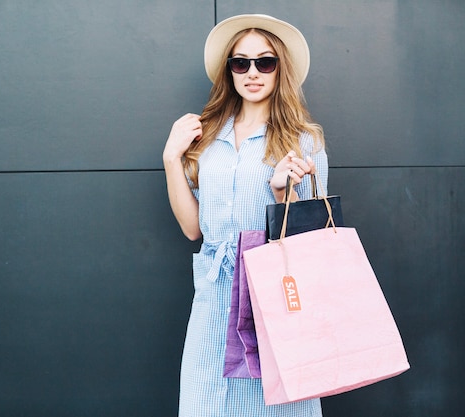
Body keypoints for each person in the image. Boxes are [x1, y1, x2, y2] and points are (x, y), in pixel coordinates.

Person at [163, 14, 327, 417]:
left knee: (276, 404)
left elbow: (312, 236)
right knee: (205, 403)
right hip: (215, 292)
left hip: (274, 291)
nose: (252, 73)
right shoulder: (206, 137)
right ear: (229, 70)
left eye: (264, 62)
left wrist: (280, 193)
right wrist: (171, 158)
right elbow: (191, 229)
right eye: (241, 63)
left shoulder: (304, 140)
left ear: (279, 68)